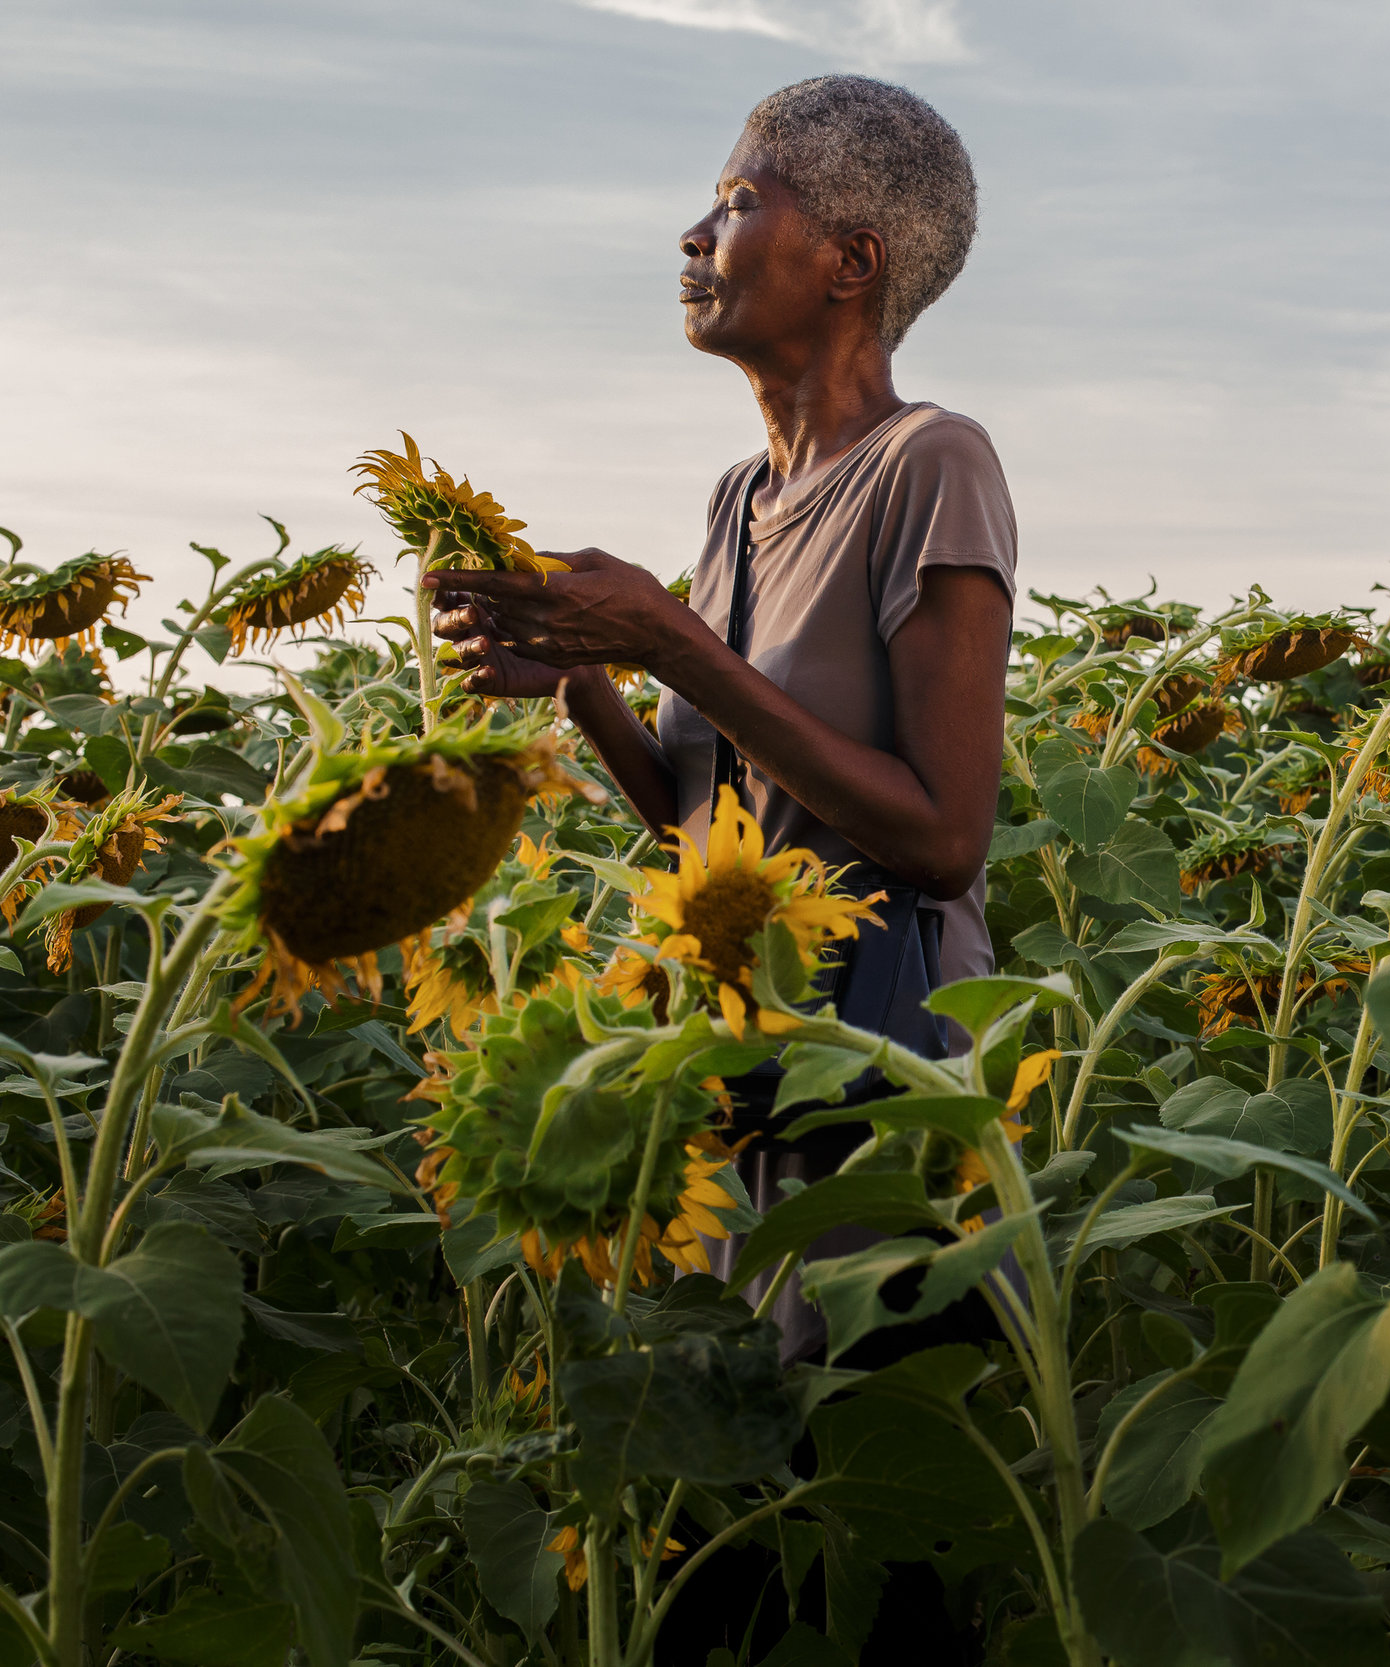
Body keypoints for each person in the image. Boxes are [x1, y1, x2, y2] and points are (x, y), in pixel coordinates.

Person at [425, 79, 1012, 1653]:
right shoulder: (738, 505)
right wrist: (589, 677)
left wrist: (670, 635)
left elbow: (945, 832)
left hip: (881, 1094)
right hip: (731, 1083)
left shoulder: (931, 466)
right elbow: (709, 832)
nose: (695, 235)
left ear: (853, 260)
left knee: (874, 1554)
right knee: (730, 1538)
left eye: (742, 200)